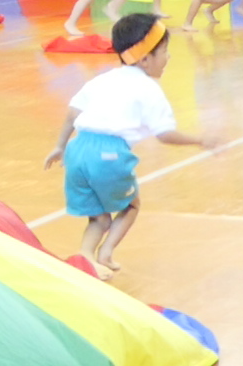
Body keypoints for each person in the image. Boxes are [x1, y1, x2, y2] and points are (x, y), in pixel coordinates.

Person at [46, 14, 213, 276]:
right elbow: (164, 134)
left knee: (99, 216)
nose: (168, 57)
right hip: (108, 154)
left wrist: (59, 146)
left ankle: (86, 256)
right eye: (164, 52)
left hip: (77, 150)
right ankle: (105, 252)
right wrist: (199, 140)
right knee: (131, 205)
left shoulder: (103, 79)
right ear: (145, 59)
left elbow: (72, 114)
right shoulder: (149, 89)